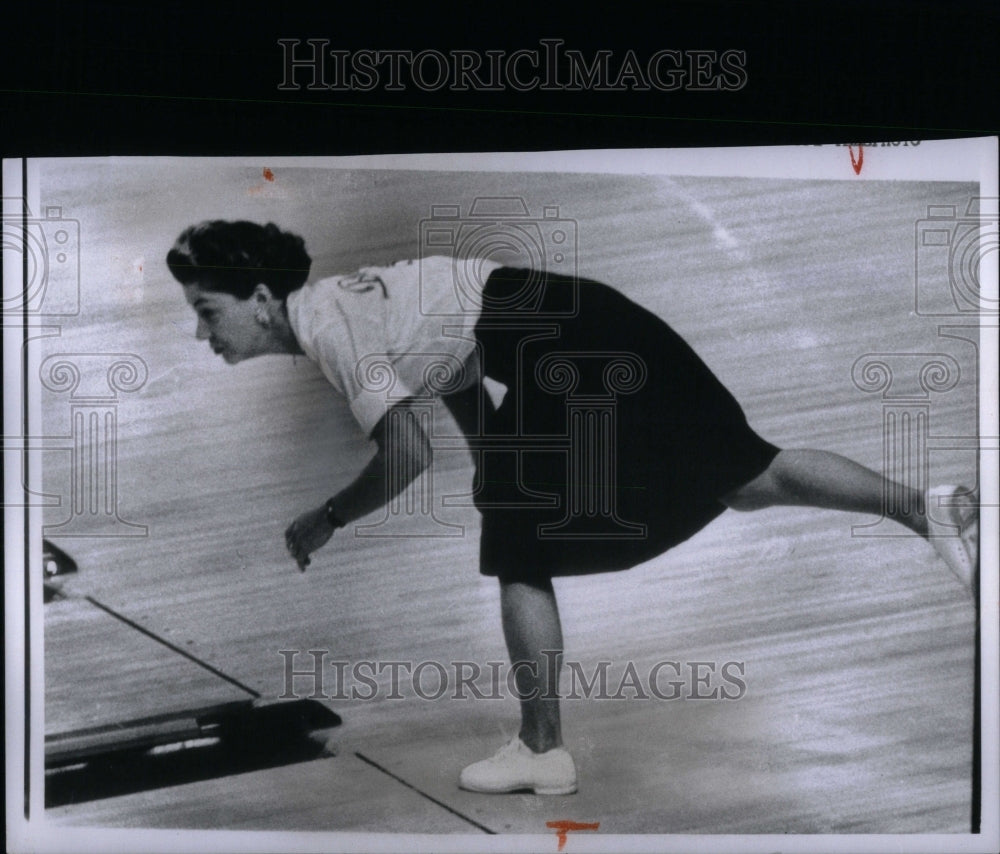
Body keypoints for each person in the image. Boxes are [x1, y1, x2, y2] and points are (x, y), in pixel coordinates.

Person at [167, 219, 980, 797]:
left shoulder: (331, 330)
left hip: (562, 352)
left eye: (209, 312)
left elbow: (408, 456)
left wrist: (330, 517)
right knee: (745, 472)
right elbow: (450, 350)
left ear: (263, 299)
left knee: (521, 551)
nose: (207, 336)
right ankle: (926, 509)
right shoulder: (340, 307)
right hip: (584, 320)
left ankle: (543, 750)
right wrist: (496, 460)